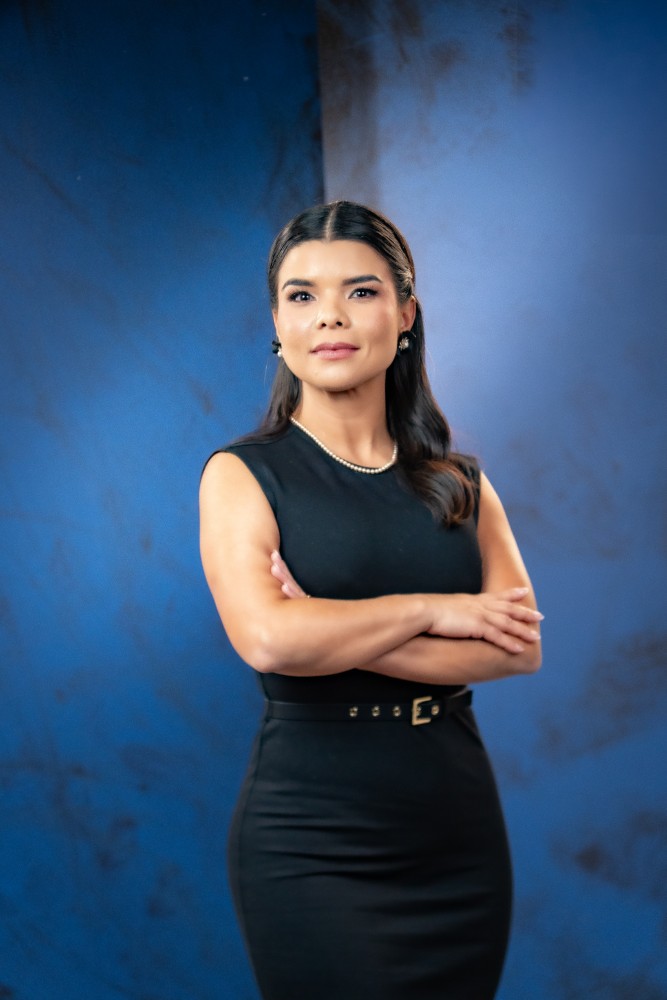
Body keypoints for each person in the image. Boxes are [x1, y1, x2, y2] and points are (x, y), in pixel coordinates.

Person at [199, 201, 542, 1000]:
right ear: (277, 323)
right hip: (312, 838)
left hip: (455, 832)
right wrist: (434, 610)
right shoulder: (242, 475)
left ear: (405, 314)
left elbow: (518, 646)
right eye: (301, 295)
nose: (330, 316)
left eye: (360, 291)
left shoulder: (460, 482)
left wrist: (327, 625)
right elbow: (270, 643)